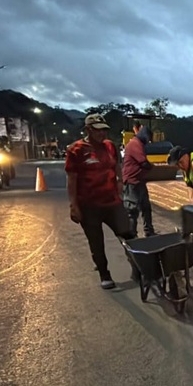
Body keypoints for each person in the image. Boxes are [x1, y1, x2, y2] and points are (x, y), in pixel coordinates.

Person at [65, 113, 134, 289]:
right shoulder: (76, 150)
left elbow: (116, 165)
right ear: (88, 130)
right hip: (89, 205)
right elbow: (72, 179)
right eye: (98, 131)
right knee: (96, 241)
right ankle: (104, 274)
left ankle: (139, 268)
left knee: (128, 234)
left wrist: (120, 181)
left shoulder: (110, 146)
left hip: (112, 201)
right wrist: (74, 205)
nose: (102, 134)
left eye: (104, 130)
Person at [122, 125, 156, 237]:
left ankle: (149, 231)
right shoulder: (135, 144)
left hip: (140, 181)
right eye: (148, 139)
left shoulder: (139, 144)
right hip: (132, 182)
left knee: (146, 208)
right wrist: (153, 167)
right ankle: (132, 235)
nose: (148, 142)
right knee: (132, 210)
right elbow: (143, 162)